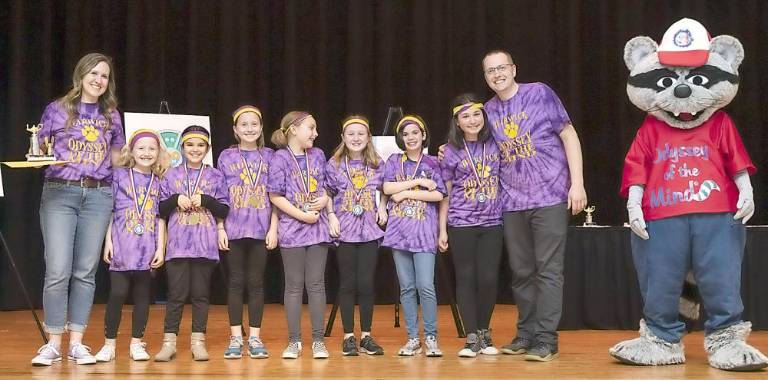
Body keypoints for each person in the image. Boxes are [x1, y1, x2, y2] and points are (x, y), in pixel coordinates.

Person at [482, 50, 587, 362]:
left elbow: (568, 135)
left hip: (550, 195)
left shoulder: (539, 93)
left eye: (502, 68)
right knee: (521, 271)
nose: (497, 74)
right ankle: (526, 334)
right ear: (486, 77)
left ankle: (546, 339)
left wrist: (577, 183)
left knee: (548, 270)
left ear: (514, 69)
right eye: (490, 71)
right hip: (512, 201)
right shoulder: (488, 110)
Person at [32, 52, 125, 366]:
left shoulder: (112, 114)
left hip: (99, 197)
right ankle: (53, 342)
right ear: (81, 74)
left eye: (105, 76)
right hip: (60, 194)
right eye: (94, 74)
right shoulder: (57, 109)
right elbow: (39, 148)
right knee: (57, 270)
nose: (99, 80)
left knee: (85, 272)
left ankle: (77, 343)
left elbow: (116, 161)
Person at [154, 126, 229, 362]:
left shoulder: (215, 175)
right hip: (177, 245)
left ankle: (198, 342)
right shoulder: (171, 175)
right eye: (190, 145)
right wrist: (176, 199)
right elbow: (160, 209)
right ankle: (169, 343)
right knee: (176, 295)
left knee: (200, 295)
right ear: (182, 147)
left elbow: (224, 209)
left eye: (200, 145)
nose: (195, 149)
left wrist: (206, 200)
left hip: (204, 245)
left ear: (206, 148)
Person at [95, 129, 170, 362]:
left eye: (151, 149)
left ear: (158, 153)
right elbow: (111, 211)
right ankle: (109, 344)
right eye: (141, 148)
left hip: (147, 246)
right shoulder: (119, 176)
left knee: (142, 297)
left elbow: (161, 218)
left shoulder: (161, 181)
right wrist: (108, 242)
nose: (146, 153)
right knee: (117, 294)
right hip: (121, 244)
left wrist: (161, 248)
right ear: (131, 150)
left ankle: (137, 342)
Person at [438, 94, 503, 358]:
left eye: (476, 114)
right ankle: (471, 336)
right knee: (465, 278)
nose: (472, 120)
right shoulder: (451, 150)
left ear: (484, 116)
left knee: (488, 278)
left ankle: (485, 332)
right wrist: (442, 229)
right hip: (461, 222)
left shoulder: (496, 143)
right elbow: (446, 193)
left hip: (492, 221)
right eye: (465, 116)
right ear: (457, 121)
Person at [267, 111, 331, 359]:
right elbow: (275, 195)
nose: (315, 133)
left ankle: (318, 341)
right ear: (293, 129)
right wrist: (301, 215)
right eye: (311, 128)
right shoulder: (279, 158)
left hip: (318, 228)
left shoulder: (318, 155)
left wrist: (324, 199)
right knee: (293, 286)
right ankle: (294, 342)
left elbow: (326, 187)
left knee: (316, 284)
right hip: (292, 229)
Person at [382, 115, 446, 357]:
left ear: (423, 135)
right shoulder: (393, 161)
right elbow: (387, 189)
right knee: (407, 288)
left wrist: (406, 193)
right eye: (405, 134)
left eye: (415, 133)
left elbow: (439, 194)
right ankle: (412, 339)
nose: (410, 137)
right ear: (401, 138)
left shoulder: (432, 163)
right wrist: (418, 183)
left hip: (424, 233)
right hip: (398, 234)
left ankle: (430, 338)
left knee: (426, 286)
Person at [217, 105, 277, 359]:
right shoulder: (226, 157)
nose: (249, 129)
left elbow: (277, 196)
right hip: (233, 228)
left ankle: (254, 338)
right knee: (235, 282)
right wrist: (220, 227)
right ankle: (234, 338)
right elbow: (218, 194)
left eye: (254, 124)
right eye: (244, 125)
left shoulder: (272, 156)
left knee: (256, 283)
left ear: (261, 127)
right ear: (235, 130)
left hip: (262, 229)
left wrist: (274, 228)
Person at [325, 115, 387, 356]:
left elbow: (386, 189)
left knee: (366, 283)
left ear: (368, 137)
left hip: (370, 230)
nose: (356, 138)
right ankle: (349, 336)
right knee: (348, 283)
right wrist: (331, 215)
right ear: (343, 137)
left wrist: (382, 206)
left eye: (361, 134)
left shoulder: (378, 163)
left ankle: (367, 337)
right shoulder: (334, 164)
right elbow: (327, 192)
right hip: (346, 230)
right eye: (351, 134)